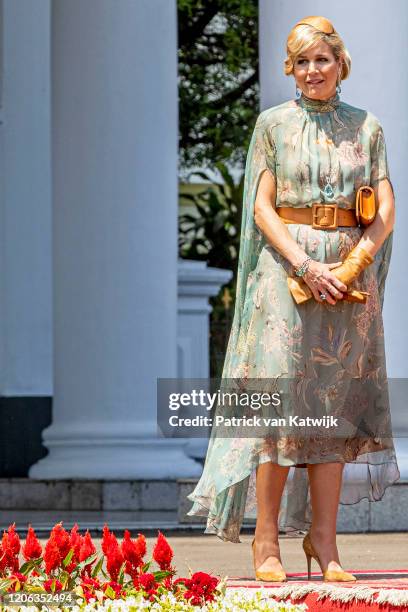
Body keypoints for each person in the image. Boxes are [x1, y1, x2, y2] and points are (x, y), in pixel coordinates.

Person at [186, 15, 400, 582]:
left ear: (340, 63)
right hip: (284, 278)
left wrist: (349, 267)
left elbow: (383, 211)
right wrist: (307, 264)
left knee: (328, 412)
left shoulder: (368, 127)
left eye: (321, 60)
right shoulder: (272, 126)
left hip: (349, 284)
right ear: (292, 68)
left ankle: (325, 545)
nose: (312, 71)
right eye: (301, 62)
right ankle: (266, 541)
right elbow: (261, 208)